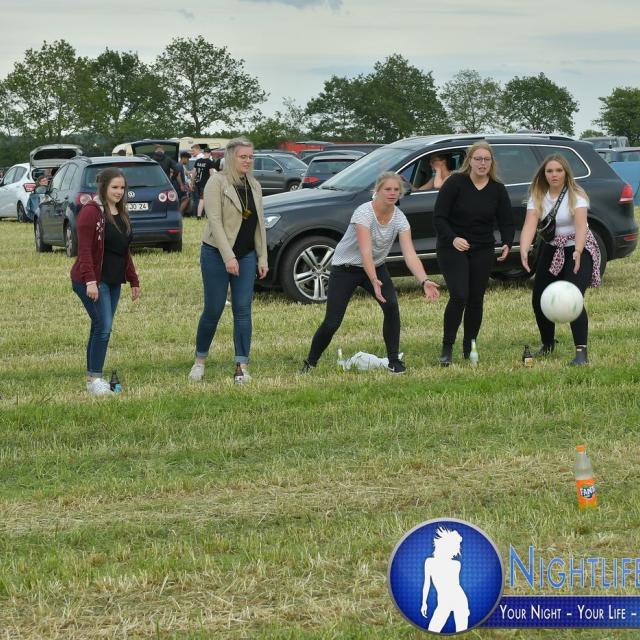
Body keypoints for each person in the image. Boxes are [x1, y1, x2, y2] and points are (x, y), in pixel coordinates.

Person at [302, 171, 440, 374]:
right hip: (346, 268)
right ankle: (310, 363)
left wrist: (424, 281)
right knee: (332, 322)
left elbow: (410, 254)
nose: (392, 193)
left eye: (396, 190)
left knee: (391, 307)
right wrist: (373, 279)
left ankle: (394, 361)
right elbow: (365, 251)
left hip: (376, 266)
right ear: (378, 190)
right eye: (387, 189)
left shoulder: (400, 218)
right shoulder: (364, 212)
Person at [188, 137, 268, 383]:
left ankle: (241, 365)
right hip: (216, 253)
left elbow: (258, 224)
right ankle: (199, 361)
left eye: (250, 157)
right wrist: (228, 256)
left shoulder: (254, 185)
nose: (248, 161)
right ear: (231, 157)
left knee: (243, 310)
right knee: (213, 309)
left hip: (246, 255)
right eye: (243, 156)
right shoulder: (217, 181)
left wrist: (262, 257)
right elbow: (215, 221)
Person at [434, 141, 514, 366]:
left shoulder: (497, 189)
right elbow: (439, 217)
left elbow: (507, 221)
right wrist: (453, 238)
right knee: (460, 295)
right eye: (478, 158)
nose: (482, 163)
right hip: (453, 247)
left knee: (476, 299)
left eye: (486, 159)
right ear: (469, 160)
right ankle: (447, 347)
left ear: (492, 162)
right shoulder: (455, 183)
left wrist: (507, 242)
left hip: (483, 248)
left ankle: (469, 346)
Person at [519, 155, 601, 365]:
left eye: (558, 170)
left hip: (579, 248)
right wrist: (524, 248)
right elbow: (530, 224)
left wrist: (579, 251)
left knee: (573, 298)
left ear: (566, 173)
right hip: (553, 247)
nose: (554, 175)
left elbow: (581, 226)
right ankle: (548, 344)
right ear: (544, 174)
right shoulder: (538, 195)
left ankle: (581, 353)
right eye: (549, 171)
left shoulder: (576, 195)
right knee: (539, 298)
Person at [70, 168, 140, 396]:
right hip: (91, 280)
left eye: (122, 188)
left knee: (99, 326)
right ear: (103, 187)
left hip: (113, 281)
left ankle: (92, 378)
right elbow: (84, 250)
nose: (119, 192)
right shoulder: (91, 212)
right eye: (114, 187)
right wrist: (90, 281)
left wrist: (133, 279)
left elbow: (124, 250)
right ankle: (95, 380)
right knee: (103, 327)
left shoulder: (121, 212)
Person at [421, 527, 469, 632]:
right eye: (455, 547)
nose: (456, 551)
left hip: (459, 600)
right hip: (444, 602)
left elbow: (456, 585)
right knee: (432, 630)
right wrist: (424, 603)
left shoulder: (456, 564)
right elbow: (426, 584)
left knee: (462, 631)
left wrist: (465, 608)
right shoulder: (429, 562)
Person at [193, 147, 217, 220]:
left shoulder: (198, 161)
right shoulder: (209, 162)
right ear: (210, 153)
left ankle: (203, 215)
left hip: (197, 183)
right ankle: (199, 216)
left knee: (199, 199)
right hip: (204, 184)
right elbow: (211, 174)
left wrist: (192, 183)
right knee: (202, 199)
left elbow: (194, 173)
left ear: (203, 153)